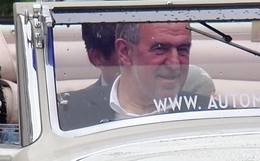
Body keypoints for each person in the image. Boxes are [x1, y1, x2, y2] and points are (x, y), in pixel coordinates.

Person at [61, 22, 208, 128]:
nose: (174, 64)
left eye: (183, 49)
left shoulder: (210, 115)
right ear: (124, 52)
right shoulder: (65, 113)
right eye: (160, 49)